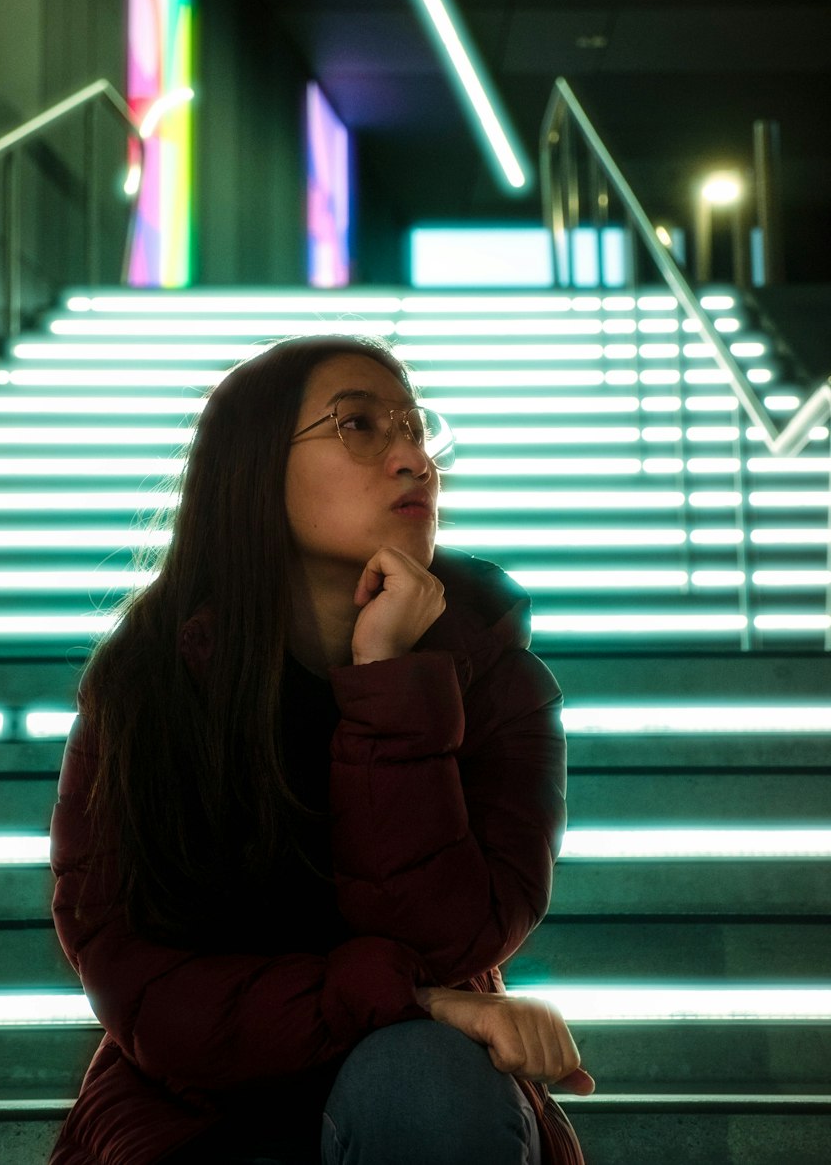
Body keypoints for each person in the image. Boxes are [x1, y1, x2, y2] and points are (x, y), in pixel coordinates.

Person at [49, 334, 593, 1165]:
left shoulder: (493, 676)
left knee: (430, 1083)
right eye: (360, 425)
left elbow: (454, 937)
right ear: (257, 468)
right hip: (196, 1100)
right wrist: (415, 999)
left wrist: (393, 682)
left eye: (415, 426)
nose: (412, 454)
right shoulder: (146, 690)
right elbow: (141, 985)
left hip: (421, 1079)